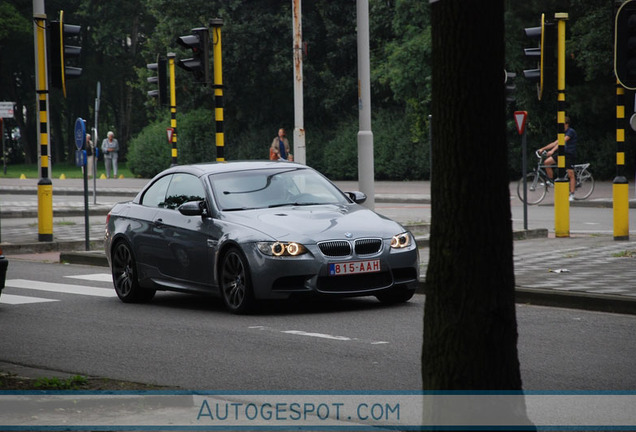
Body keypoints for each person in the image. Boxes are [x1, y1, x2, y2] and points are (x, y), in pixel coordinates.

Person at [537, 117, 577, 201]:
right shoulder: (562, 133)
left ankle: (572, 194)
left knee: (570, 174)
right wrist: (543, 149)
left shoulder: (570, 132)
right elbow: (555, 143)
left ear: (566, 124)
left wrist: (552, 151)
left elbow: (562, 142)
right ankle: (550, 181)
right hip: (561, 153)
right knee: (547, 162)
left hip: (569, 154)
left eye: (562, 124)